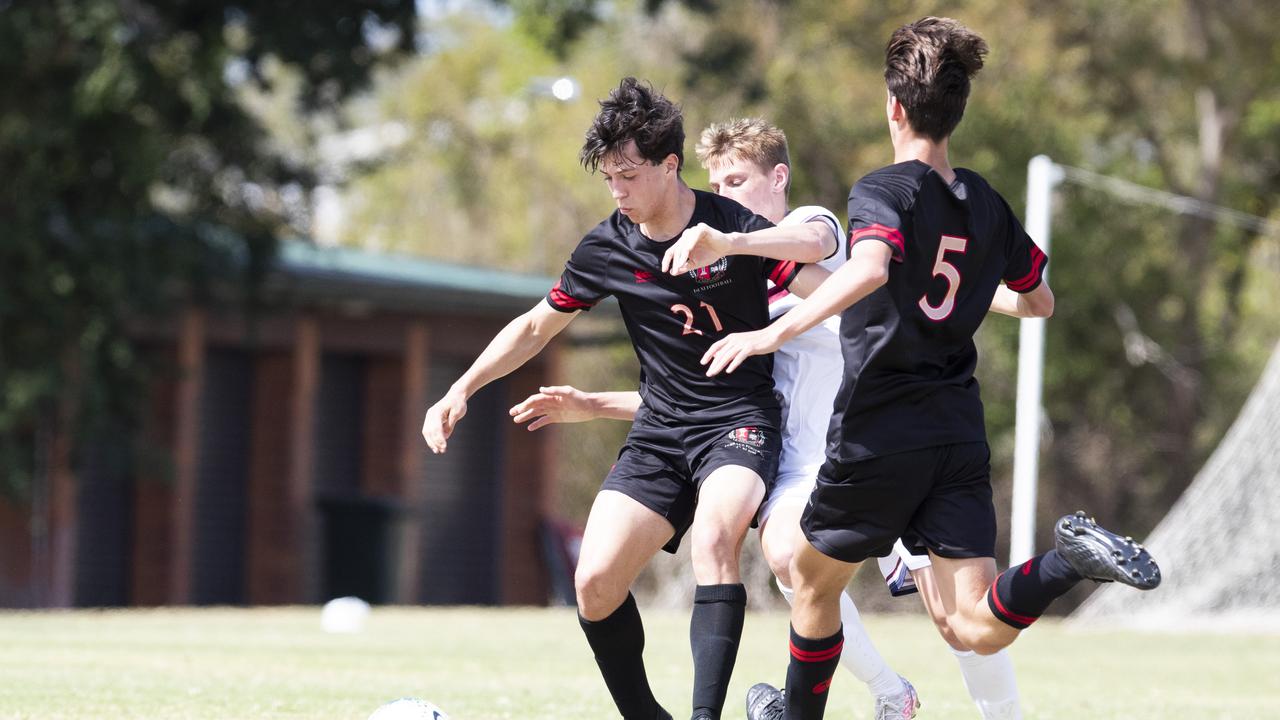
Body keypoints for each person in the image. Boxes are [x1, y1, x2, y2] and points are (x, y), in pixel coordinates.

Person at [689, 18, 1161, 720]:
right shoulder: (987, 203)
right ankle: (1065, 561)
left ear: (893, 107)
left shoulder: (886, 190)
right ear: (958, 109)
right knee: (970, 623)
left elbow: (871, 267)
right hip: (957, 432)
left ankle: (807, 713)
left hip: (880, 429)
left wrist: (771, 334)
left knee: (809, 582)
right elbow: (1038, 301)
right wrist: (967, 293)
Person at [421, 77, 831, 720]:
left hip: (739, 422)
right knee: (594, 581)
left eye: (630, 175)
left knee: (716, 540)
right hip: (661, 432)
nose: (618, 191)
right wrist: (462, 387)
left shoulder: (732, 227)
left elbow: (826, 285)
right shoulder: (606, 245)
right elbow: (535, 325)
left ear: (671, 165)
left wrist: (889, 329)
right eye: (608, 177)